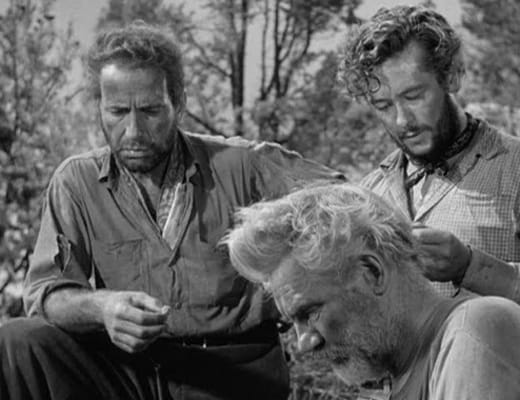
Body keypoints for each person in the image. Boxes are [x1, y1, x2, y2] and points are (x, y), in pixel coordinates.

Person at [0, 22, 343, 400]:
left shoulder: (243, 164)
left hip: (233, 367)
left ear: (178, 103)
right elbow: (46, 294)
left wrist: (301, 283)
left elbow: (347, 200)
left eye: (150, 110)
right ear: (99, 107)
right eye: (117, 111)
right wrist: (103, 307)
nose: (133, 131)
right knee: (18, 341)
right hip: (134, 369)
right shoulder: (76, 182)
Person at [337, 5, 520, 336]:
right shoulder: (368, 197)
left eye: (414, 96)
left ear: (451, 77)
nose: (403, 121)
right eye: (384, 106)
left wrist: (471, 267)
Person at [225, 183, 520, 400]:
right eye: (293, 323)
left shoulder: (476, 331)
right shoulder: (401, 377)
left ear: (372, 272)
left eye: (309, 313)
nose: (304, 343)